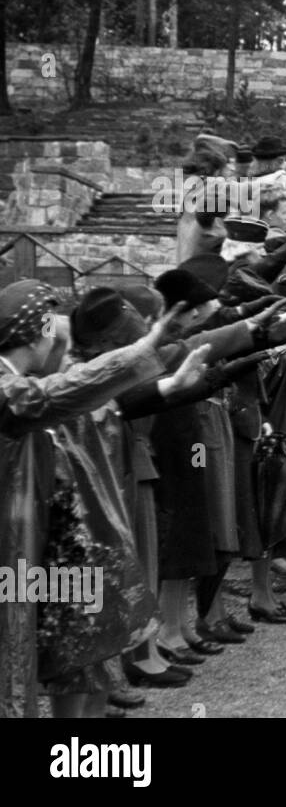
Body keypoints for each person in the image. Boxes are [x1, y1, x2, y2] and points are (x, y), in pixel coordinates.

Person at [1, 280, 175, 717]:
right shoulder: (11, 390)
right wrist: (142, 350)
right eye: (52, 329)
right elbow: (60, 392)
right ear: (38, 330)